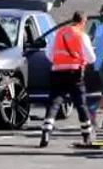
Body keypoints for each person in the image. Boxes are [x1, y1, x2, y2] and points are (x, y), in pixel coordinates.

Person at [40, 11, 96, 148]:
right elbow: (91, 58)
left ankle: (46, 132)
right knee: (81, 105)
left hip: (57, 72)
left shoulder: (59, 33)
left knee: (54, 103)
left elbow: (49, 54)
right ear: (83, 22)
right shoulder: (81, 35)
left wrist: (59, 62)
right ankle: (86, 135)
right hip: (74, 73)